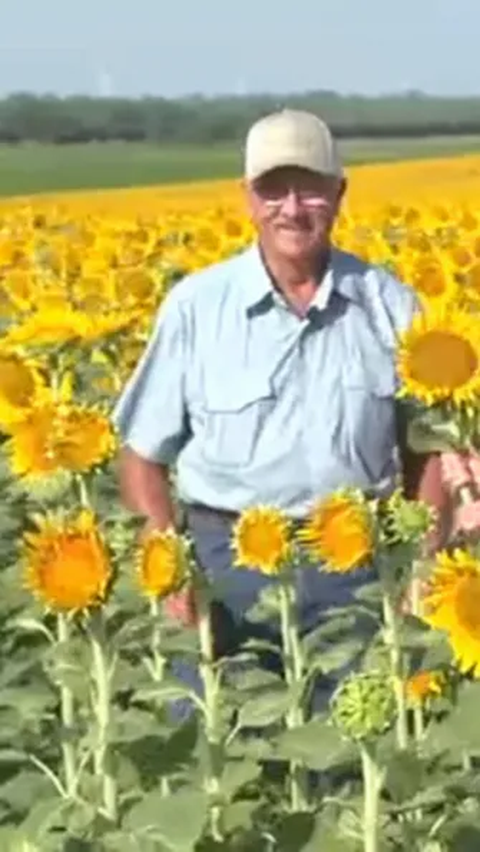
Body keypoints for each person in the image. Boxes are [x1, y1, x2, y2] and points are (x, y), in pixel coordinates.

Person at [112, 108, 448, 714]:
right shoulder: (198, 307)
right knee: (217, 750)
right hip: (223, 565)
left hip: (355, 567)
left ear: (339, 193)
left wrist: (422, 565)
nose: (292, 208)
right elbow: (141, 456)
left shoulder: (388, 305)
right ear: (247, 198)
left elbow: (428, 449)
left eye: (310, 187)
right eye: (272, 189)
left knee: (349, 760)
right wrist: (164, 553)